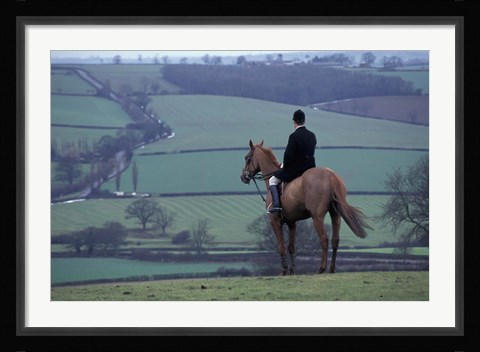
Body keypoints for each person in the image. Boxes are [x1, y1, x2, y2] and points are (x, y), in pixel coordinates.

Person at [268, 109, 317, 213]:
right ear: (304, 121)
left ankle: (276, 206)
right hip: (310, 168)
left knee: (272, 180)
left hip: (296, 170)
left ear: (294, 122)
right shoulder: (312, 135)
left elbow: (288, 156)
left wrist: (284, 166)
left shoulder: (294, 136)